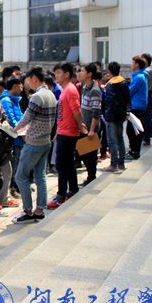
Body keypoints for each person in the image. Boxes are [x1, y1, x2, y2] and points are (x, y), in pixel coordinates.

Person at [12, 67, 57, 223]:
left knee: (20, 176)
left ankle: (28, 211)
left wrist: (12, 130)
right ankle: (39, 210)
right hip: (45, 141)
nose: (26, 83)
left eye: (27, 80)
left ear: (33, 78)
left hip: (34, 142)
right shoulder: (50, 94)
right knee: (40, 177)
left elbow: (26, 118)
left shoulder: (37, 97)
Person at [48, 62, 86, 209]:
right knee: (68, 163)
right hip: (63, 131)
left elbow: (76, 111)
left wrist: (80, 126)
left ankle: (61, 195)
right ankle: (73, 189)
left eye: (58, 73)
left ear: (67, 74)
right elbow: (64, 113)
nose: (56, 76)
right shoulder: (66, 89)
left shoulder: (70, 90)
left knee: (61, 165)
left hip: (68, 133)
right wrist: (58, 131)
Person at [0, 78, 24, 209]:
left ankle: (9, 193)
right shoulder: (6, 101)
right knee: (10, 168)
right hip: (13, 138)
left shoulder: (14, 100)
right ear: (14, 86)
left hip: (19, 137)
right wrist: (21, 132)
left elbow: (20, 117)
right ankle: (6, 194)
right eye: (20, 85)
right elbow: (12, 120)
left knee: (14, 167)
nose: (22, 88)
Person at [101, 62, 130, 173]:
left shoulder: (110, 85)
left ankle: (113, 164)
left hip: (112, 115)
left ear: (109, 71)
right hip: (121, 116)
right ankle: (121, 163)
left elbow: (110, 101)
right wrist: (125, 112)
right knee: (120, 138)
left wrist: (106, 113)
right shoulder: (124, 82)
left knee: (112, 140)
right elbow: (128, 99)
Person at [77, 64, 102, 187]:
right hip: (84, 127)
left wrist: (92, 130)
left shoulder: (95, 90)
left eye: (82, 71)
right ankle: (90, 177)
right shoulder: (84, 87)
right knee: (84, 153)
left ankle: (91, 178)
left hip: (90, 129)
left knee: (90, 156)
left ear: (89, 74)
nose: (79, 73)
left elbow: (96, 112)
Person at [125, 57, 148, 160]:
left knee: (132, 130)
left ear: (137, 65)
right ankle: (134, 150)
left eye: (132, 63)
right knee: (133, 130)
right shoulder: (141, 76)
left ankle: (134, 151)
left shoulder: (139, 77)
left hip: (136, 107)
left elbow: (130, 91)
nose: (131, 65)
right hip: (138, 106)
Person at [141, 53, 152, 146]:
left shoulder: (148, 72)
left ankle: (146, 137)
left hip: (146, 94)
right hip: (145, 94)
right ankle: (145, 137)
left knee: (146, 116)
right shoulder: (146, 71)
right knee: (144, 116)